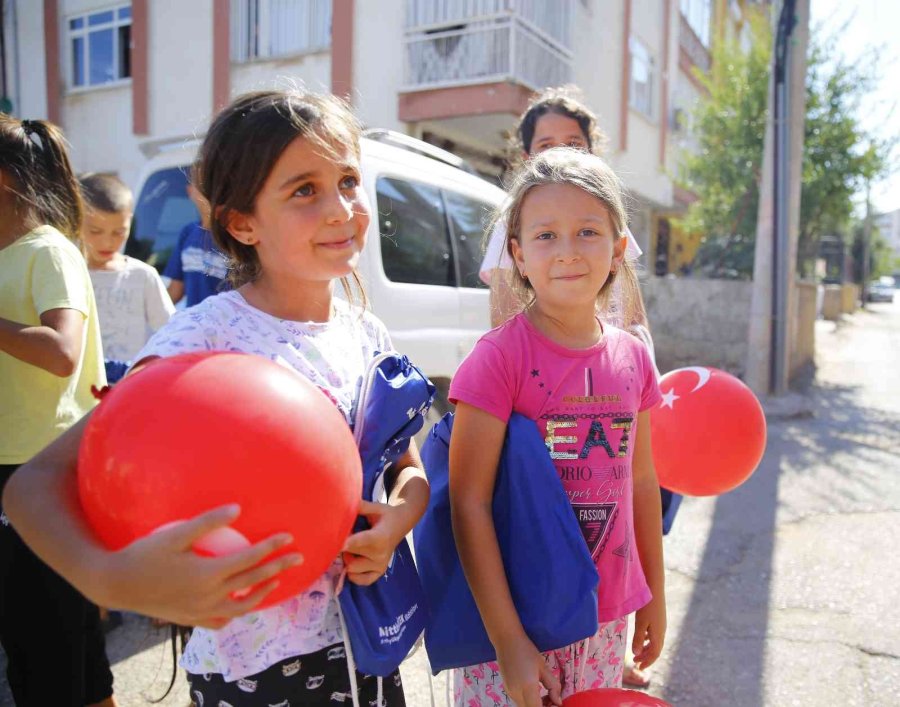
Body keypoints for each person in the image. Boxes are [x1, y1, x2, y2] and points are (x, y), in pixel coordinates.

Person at [2, 90, 429, 707]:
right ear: (241, 223)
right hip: (251, 668)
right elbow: (34, 484)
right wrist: (112, 581)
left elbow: (405, 464)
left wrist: (397, 522)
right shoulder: (203, 340)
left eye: (348, 180)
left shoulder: (367, 333)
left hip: (367, 648)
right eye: (304, 190)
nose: (341, 209)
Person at [449, 148, 666, 706]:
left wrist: (654, 595)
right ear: (518, 255)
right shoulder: (497, 360)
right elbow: (469, 503)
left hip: (604, 620)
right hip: (516, 621)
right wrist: (508, 640)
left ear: (618, 249)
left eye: (588, 231)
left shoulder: (634, 359)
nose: (568, 251)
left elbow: (642, 482)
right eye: (546, 236)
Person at [0, 116, 118, 706]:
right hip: (15, 466)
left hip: (39, 470)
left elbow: (61, 351)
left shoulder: (47, 250)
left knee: (47, 649)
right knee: (59, 648)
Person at [481, 85, 645, 330]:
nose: (560, 153)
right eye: (546, 146)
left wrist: (636, 349)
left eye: (573, 144)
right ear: (527, 157)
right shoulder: (511, 226)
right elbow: (504, 324)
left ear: (591, 152)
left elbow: (636, 318)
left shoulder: (608, 221)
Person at [80, 173, 174, 383]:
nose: (108, 242)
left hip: (127, 387)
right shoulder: (68, 273)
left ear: (130, 221)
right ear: (76, 221)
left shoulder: (143, 276)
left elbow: (171, 332)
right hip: (80, 390)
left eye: (119, 232)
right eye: (95, 231)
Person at [163, 161, 229, 307]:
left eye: (214, 183)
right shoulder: (188, 233)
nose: (209, 190)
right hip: (194, 320)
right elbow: (176, 289)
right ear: (190, 191)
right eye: (202, 183)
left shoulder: (234, 237)